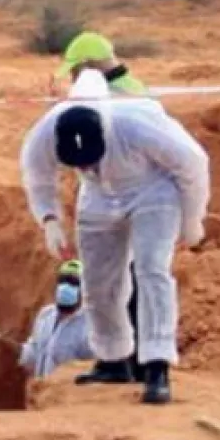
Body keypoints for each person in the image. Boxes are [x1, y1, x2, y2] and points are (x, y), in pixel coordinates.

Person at [19, 68, 210, 405]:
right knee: (97, 280)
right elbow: (37, 176)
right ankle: (112, 358)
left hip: (152, 190)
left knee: (151, 271)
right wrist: (49, 219)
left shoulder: (137, 123)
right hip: (96, 195)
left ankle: (156, 366)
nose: (87, 166)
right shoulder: (46, 131)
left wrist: (193, 218)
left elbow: (193, 164)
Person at [57, 31, 153, 383]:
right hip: (133, 199)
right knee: (128, 283)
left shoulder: (114, 96)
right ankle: (132, 364)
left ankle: (126, 366)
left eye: (74, 71)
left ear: (86, 67)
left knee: (120, 285)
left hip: (124, 199)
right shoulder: (135, 88)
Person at [18, 260, 94, 379]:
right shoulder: (45, 315)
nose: (66, 287)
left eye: (73, 283)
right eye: (63, 281)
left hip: (65, 395)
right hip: (42, 392)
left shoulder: (89, 328)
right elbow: (30, 355)